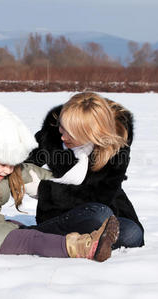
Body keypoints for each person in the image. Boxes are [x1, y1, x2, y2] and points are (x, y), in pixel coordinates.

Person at [0, 102, 119, 262]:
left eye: (12, 164)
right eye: (3, 163)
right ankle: (84, 247)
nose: (9, 170)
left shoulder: (3, 170)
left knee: (26, 232)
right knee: (30, 240)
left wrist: (68, 185)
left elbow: (33, 173)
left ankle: (82, 238)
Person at [24, 92, 144, 249]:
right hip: (59, 214)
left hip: (102, 209)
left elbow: (100, 194)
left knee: (130, 232)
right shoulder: (53, 131)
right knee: (99, 217)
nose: (62, 137)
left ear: (90, 133)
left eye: (71, 133)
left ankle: (85, 243)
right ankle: (32, 236)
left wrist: (42, 190)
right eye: (62, 128)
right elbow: (24, 158)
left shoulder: (116, 149)